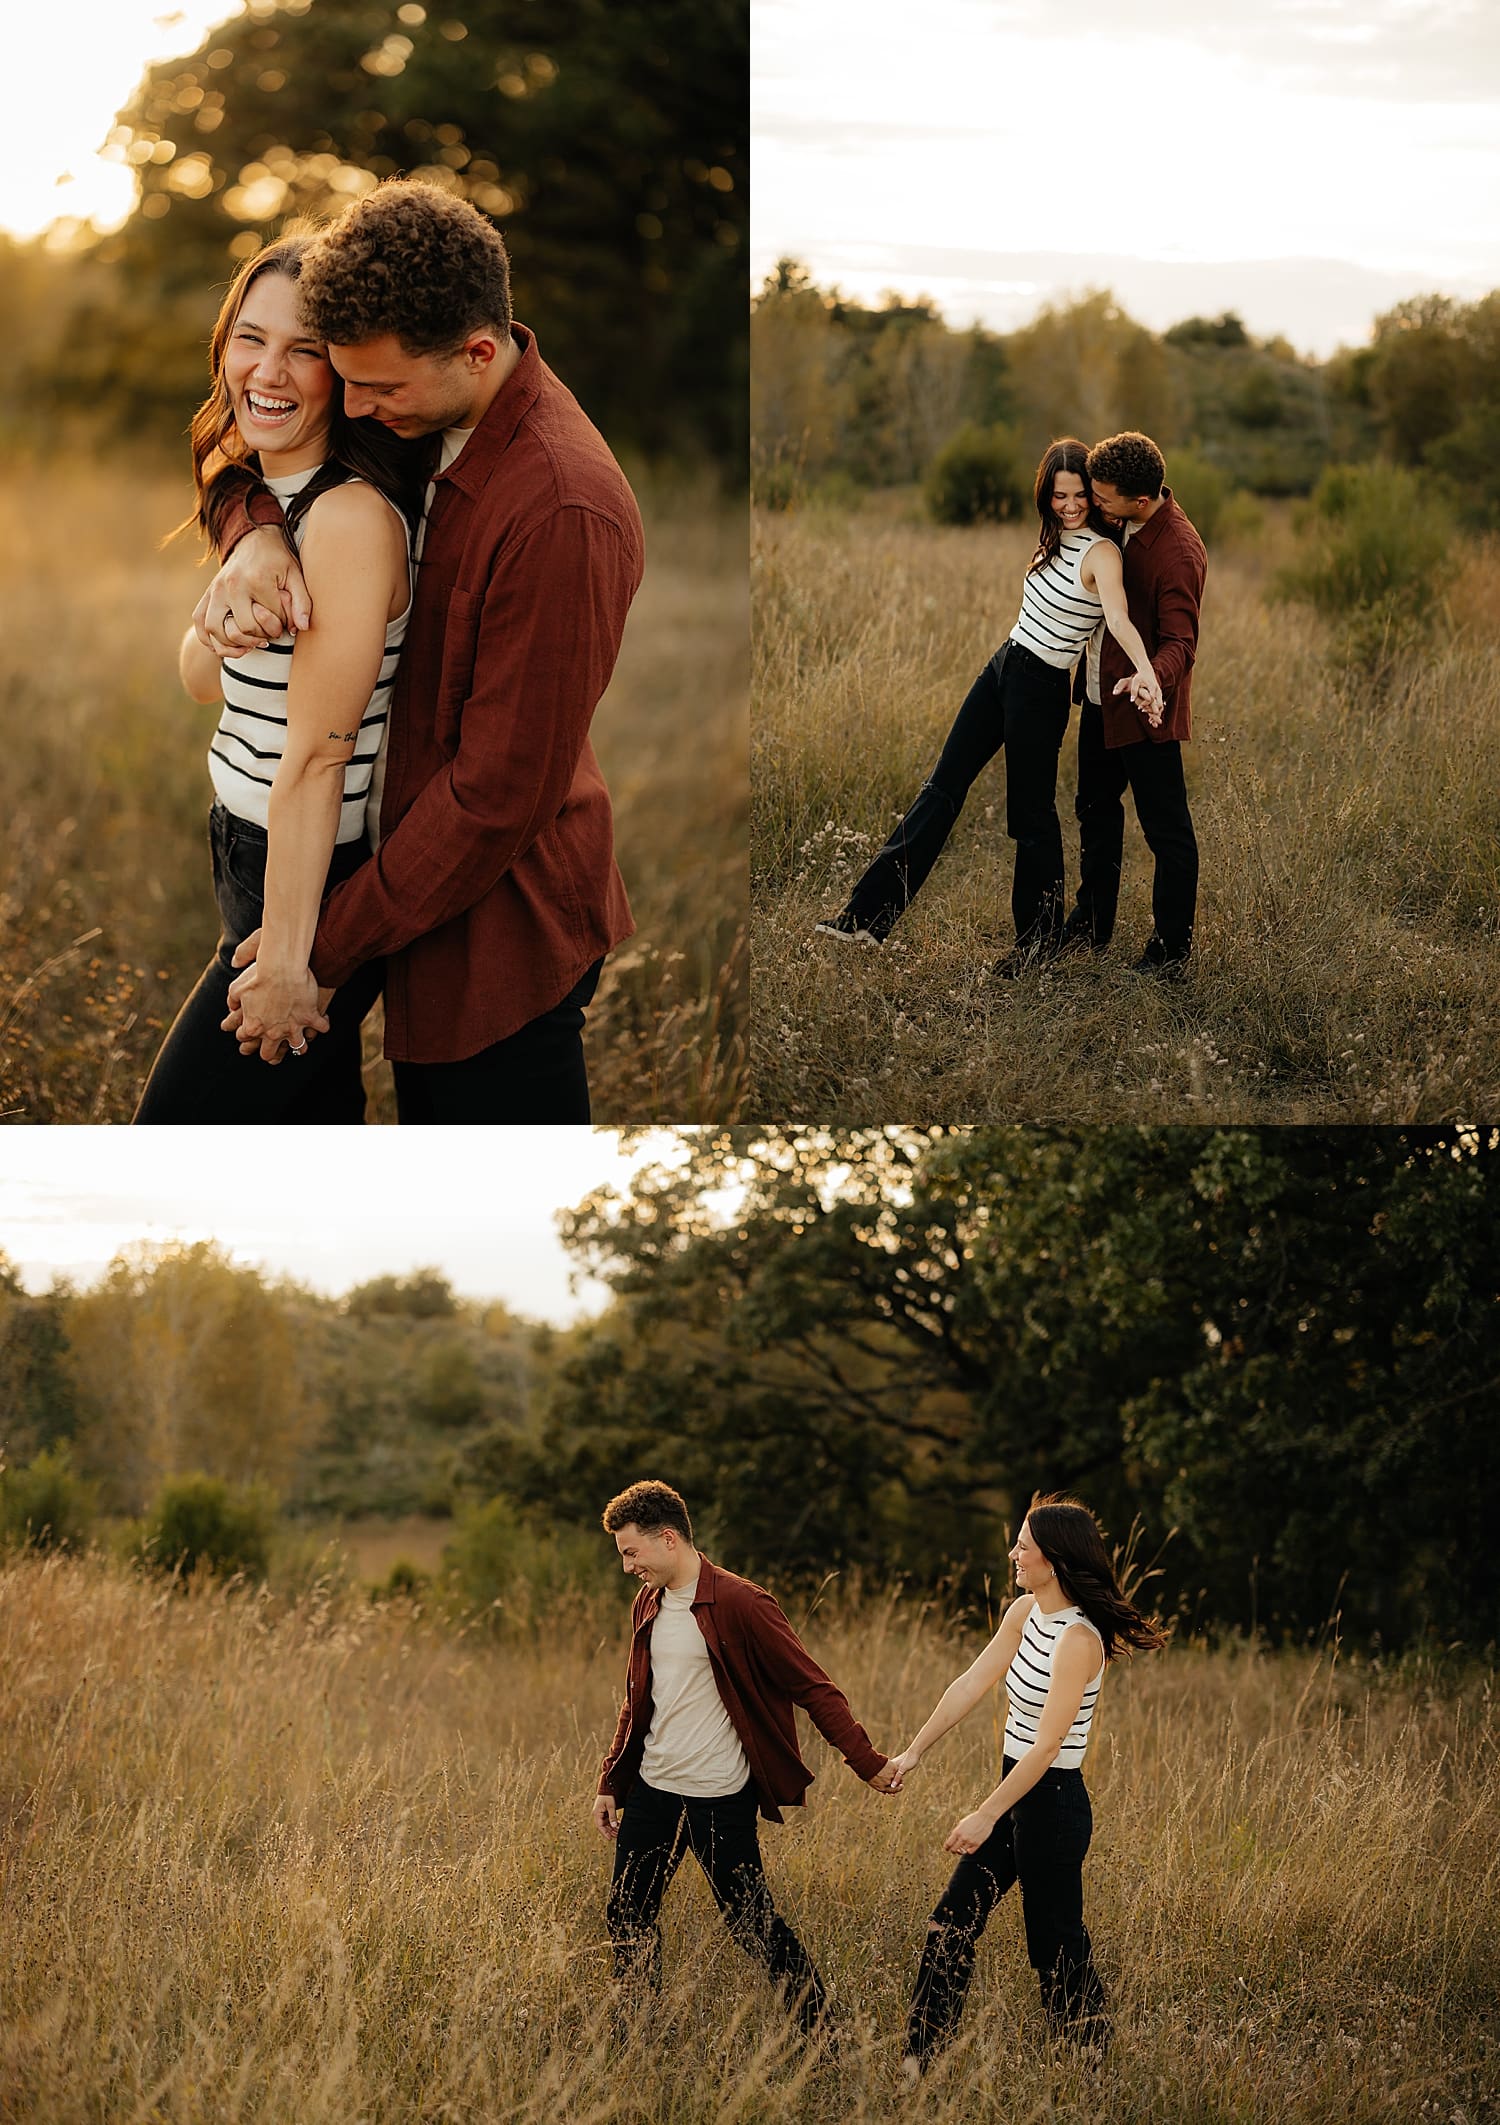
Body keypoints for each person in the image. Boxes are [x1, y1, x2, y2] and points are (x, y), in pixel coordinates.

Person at [197, 179, 644, 1122]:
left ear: (478, 351)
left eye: (375, 385)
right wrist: (255, 535)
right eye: (345, 376)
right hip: (384, 883)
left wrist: (310, 945)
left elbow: (496, 800)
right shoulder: (422, 405)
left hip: (496, 928)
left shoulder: (561, 506)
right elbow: (269, 461)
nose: (351, 406)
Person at [133, 234, 420, 1123]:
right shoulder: (264, 499)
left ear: (344, 372)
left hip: (309, 871)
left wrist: (295, 959)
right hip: (241, 843)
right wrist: (222, 617)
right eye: (251, 337)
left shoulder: (345, 520)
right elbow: (201, 682)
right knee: (306, 1114)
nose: (269, 369)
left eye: (305, 350)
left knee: (176, 1126)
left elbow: (319, 761)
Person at [814, 440, 1163, 976]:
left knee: (1031, 817)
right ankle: (863, 922)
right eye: (1058, 495)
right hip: (1003, 666)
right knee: (940, 789)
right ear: (1046, 493)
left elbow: (1116, 616)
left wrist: (1145, 670)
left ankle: (1036, 947)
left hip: (1042, 689)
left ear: (1094, 500)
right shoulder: (1056, 537)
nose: (1069, 506)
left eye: (1078, 497)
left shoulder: (1102, 552)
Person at [594, 1480, 896, 2038]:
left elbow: (813, 1688)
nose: (627, 1566)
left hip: (717, 1795)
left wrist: (867, 1761)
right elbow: (638, 1697)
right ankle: (636, 2035)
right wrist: (613, 1777)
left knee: (751, 1922)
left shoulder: (742, 1603)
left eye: (631, 1552)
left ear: (668, 1539)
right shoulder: (649, 1602)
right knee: (627, 1915)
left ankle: (823, 2034)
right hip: (655, 1790)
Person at [886, 1495, 1168, 2073]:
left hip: (1054, 1806)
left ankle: (1090, 2064)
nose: (1014, 1554)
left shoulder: (1079, 1641)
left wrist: (986, 1814)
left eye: (1024, 1546)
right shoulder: (1024, 1613)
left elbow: (1046, 1747)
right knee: (951, 1922)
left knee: (1055, 1942)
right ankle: (921, 2062)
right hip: (1016, 1794)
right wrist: (914, 1751)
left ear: (1055, 1560)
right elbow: (971, 1683)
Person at [1059, 431, 1206, 978]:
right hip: (1099, 697)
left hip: (1145, 709)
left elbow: (1181, 644)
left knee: (1167, 832)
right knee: (1094, 812)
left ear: (1140, 501)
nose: (1094, 505)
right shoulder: (1117, 518)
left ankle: (1170, 954)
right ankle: (1090, 927)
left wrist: (1150, 682)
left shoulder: (1179, 552)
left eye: (1104, 498)